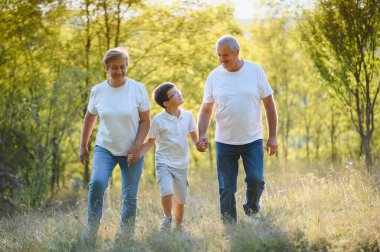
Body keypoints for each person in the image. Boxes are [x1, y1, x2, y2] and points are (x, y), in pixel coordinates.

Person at [196, 35, 278, 223]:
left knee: (256, 180)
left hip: (253, 139)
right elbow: (207, 108)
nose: (222, 59)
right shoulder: (214, 76)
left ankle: (251, 209)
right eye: (219, 55)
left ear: (237, 52)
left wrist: (272, 136)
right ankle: (229, 223)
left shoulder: (255, 71)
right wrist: (201, 134)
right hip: (225, 141)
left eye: (225, 55)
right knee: (226, 187)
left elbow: (269, 104)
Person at [79, 47, 150, 242]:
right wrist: (83, 145)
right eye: (114, 68)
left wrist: (137, 147)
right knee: (97, 183)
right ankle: (91, 231)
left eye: (122, 66)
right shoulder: (98, 90)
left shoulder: (138, 88)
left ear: (127, 66)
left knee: (129, 195)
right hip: (105, 148)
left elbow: (145, 121)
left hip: (132, 150)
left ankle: (125, 236)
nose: (119, 71)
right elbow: (90, 117)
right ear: (106, 69)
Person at [140, 82, 200, 231]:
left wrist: (200, 145)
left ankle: (179, 228)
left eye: (177, 90)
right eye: (174, 93)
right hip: (163, 162)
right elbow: (150, 142)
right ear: (166, 103)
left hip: (182, 164)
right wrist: (136, 153)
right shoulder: (158, 120)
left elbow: (194, 138)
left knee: (180, 200)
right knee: (167, 191)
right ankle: (167, 217)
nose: (179, 93)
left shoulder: (188, 116)